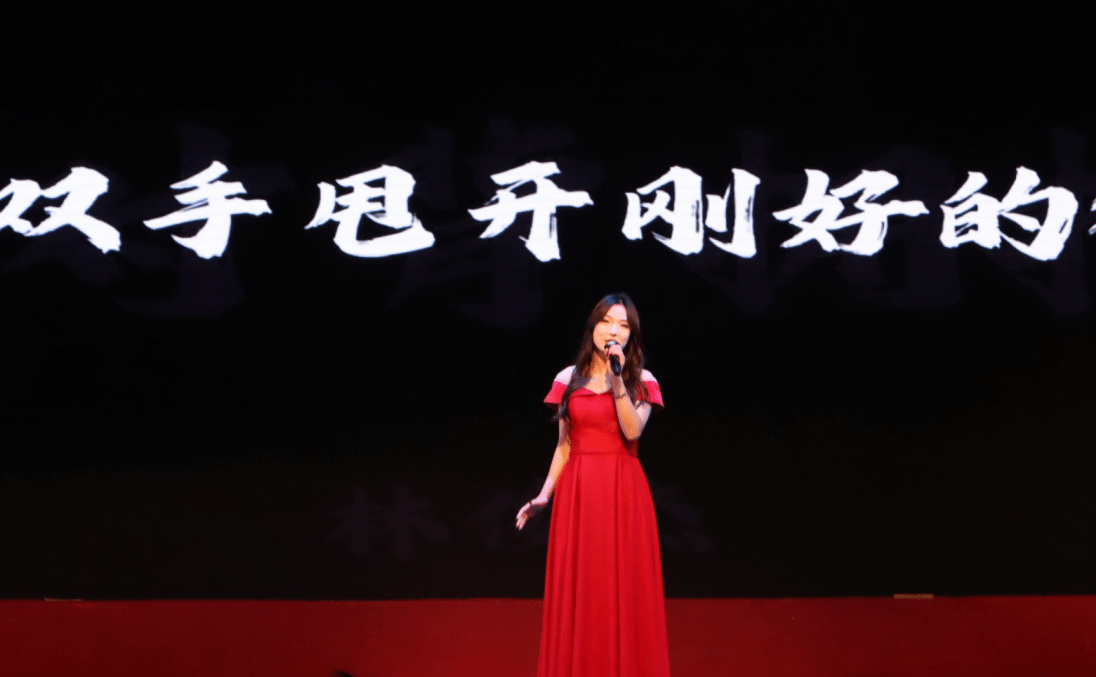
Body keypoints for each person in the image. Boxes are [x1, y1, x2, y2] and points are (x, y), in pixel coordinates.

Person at [516, 292, 671, 677]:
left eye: (623, 325)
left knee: (624, 587)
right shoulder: (568, 378)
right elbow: (564, 445)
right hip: (579, 493)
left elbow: (631, 430)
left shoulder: (642, 380)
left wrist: (618, 380)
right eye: (606, 321)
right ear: (593, 326)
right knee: (583, 588)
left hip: (623, 491)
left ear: (632, 335)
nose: (613, 331)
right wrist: (544, 494)